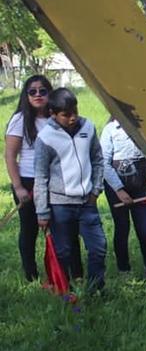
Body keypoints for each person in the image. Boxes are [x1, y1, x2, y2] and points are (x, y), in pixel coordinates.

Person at [4, 75, 79, 282]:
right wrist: (18, 187)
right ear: (26, 95)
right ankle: (31, 276)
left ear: (50, 93)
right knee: (29, 230)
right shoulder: (20, 119)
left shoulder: (57, 118)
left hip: (56, 182)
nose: (38, 95)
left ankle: (64, 274)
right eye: (32, 91)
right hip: (28, 181)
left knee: (62, 228)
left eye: (43, 91)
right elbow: (10, 155)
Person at [33, 88, 107, 292]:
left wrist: (96, 191)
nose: (73, 118)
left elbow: (98, 160)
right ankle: (65, 291)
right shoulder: (45, 138)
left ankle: (96, 291)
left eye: (75, 111)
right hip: (60, 205)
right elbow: (41, 176)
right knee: (63, 252)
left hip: (87, 203)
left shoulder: (88, 127)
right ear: (53, 114)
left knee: (98, 248)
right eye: (66, 115)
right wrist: (42, 211)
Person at [101, 117, 146, 274]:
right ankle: (123, 268)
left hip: (140, 187)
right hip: (116, 189)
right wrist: (119, 189)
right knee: (122, 228)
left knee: (145, 230)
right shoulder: (110, 130)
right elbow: (104, 163)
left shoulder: (141, 126)